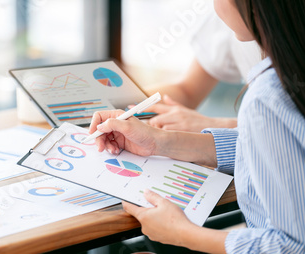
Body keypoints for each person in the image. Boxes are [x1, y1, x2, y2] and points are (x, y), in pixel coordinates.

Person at [90, 0, 305, 252]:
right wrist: (160, 142)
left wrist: (181, 233)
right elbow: (281, 147)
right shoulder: (289, 74)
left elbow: (292, 245)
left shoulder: (267, 97)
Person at [140, 9, 262, 133]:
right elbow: (188, 90)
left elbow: (275, 124)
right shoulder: (226, 19)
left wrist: (216, 125)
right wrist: (127, 103)